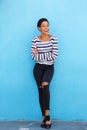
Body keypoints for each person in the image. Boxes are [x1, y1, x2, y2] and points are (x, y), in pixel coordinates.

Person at [31, 18, 58, 129]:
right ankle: (44, 117)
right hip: (38, 68)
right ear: (39, 28)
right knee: (41, 92)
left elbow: (54, 56)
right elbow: (33, 56)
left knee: (45, 86)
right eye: (43, 26)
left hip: (49, 68)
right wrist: (47, 53)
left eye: (47, 25)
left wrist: (40, 53)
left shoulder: (54, 39)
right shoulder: (35, 40)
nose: (46, 28)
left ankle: (47, 116)